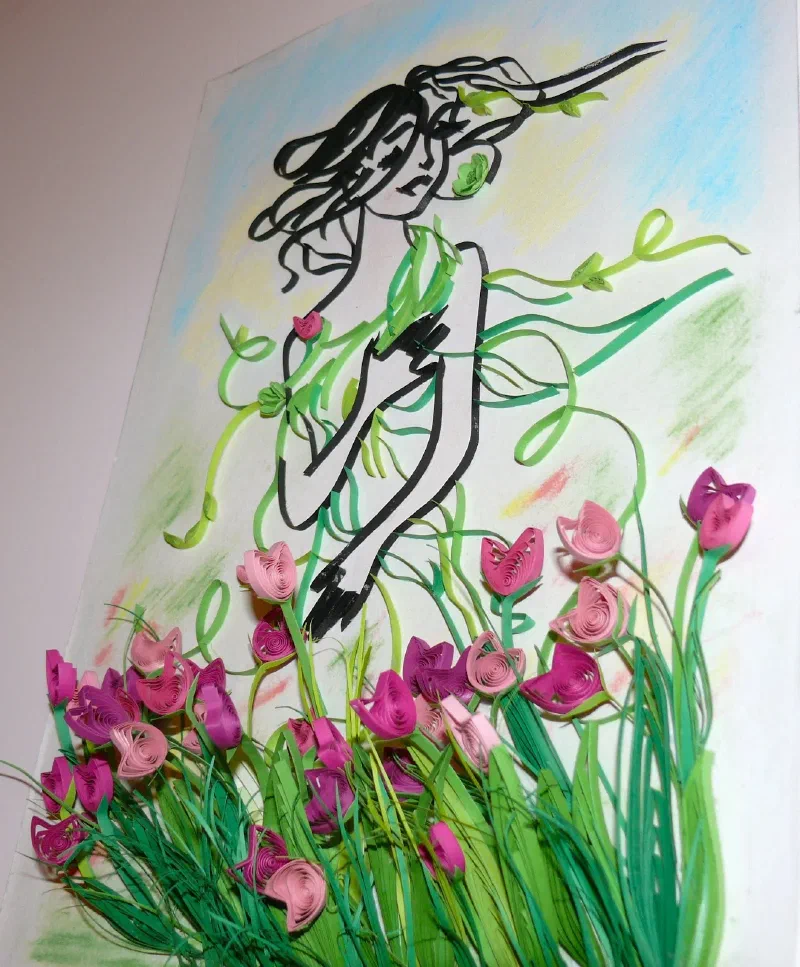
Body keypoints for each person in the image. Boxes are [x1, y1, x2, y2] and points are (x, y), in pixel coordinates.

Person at [248, 43, 665, 636]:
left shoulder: (451, 269)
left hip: (412, 537)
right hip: (327, 558)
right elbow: (299, 503)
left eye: (422, 145)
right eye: (394, 153)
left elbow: (453, 439)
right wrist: (366, 403)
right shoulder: (308, 339)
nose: (420, 165)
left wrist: (366, 551)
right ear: (357, 171)